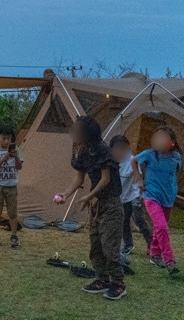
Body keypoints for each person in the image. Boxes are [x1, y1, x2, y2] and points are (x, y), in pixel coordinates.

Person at [56, 115, 126, 302]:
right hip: (97, 205)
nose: (73, 133)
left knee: (109, 247)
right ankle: (102, 279)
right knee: (96, 245)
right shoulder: (81, 151)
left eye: (77, 130)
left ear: (87, 133)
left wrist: (90, 195)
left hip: (111, 204)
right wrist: (65, 194)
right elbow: (79, 178)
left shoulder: (102, 150)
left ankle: (118, 284)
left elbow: (106, 179)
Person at [132, 126, 184, 277]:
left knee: (160, 228)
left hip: (168, 197)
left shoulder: (176, 157)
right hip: (151, 195)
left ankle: (154, 254)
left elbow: (177, 172)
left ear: (172, 142)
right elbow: (134, 161)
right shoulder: (149, 154)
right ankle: (169, 260)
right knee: (161, 226)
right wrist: (138, 178)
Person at [109, 135, 153, 258]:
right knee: (124, 220)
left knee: (139, 218)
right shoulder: (110, 161)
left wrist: (139, 192)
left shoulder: (132, 161)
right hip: (121, 196)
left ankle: (151, 244)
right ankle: (128, 245)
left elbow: (137, 177)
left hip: (133, 194)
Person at [0, 122, 23, 248]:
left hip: (12, 185)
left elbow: (19, 167)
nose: (7, 141)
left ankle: (14, 236)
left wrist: (16, 157)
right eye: (4, 138)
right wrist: (4, 158)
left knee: (12, 213)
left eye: (9, 138)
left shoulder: (16, 150)